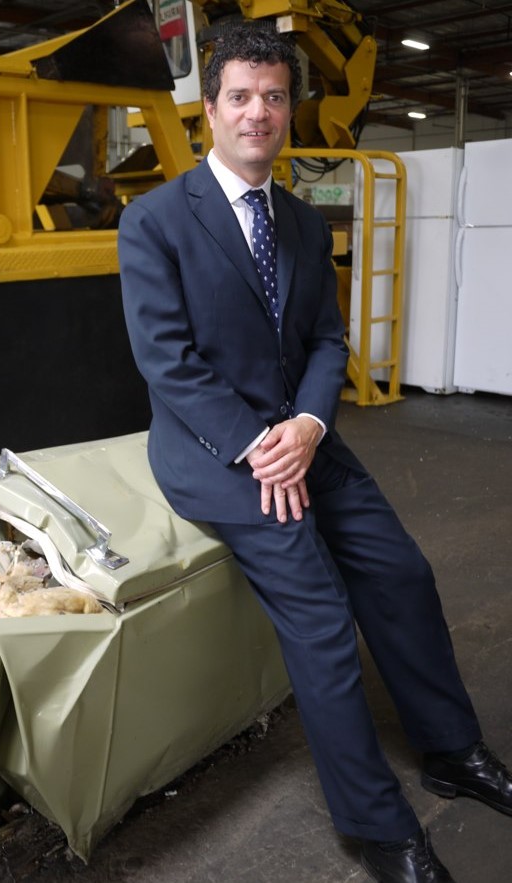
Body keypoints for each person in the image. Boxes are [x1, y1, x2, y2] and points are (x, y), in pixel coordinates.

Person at [117, 23, 512, 883]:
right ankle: (378, 827)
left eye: (273, 96)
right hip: (218, 454)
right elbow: (167, 362)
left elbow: (328, 340)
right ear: (209, 111)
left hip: (301, 439)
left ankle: (451, 749)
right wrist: (262, 445)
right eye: (240, 97)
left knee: (403, 573)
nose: (258, 111)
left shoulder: (300, 219)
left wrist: (308, 427)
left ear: (289, 109)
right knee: (325, 621)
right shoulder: (154, 222)